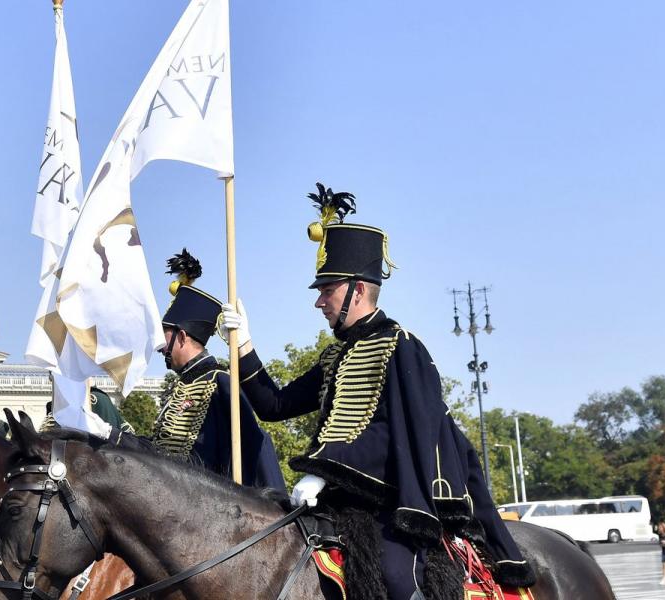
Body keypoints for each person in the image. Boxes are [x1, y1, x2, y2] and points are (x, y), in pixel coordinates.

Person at [218, 184, 534, 600]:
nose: (319, 302)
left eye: (326, 290)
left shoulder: (400, 346)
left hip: (391, 502)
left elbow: (405, 434)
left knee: (396, 578)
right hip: (336, 499)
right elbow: (274, 405)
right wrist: (243, 346)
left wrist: (324, 468)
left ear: (358, 290)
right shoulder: (337, 356)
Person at [154, 249, 286, 490]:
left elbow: (257, 444)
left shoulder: (221, 382)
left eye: (165, 336)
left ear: (182, 337)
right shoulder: (181, 387)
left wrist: (276, 502)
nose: (160, 347)